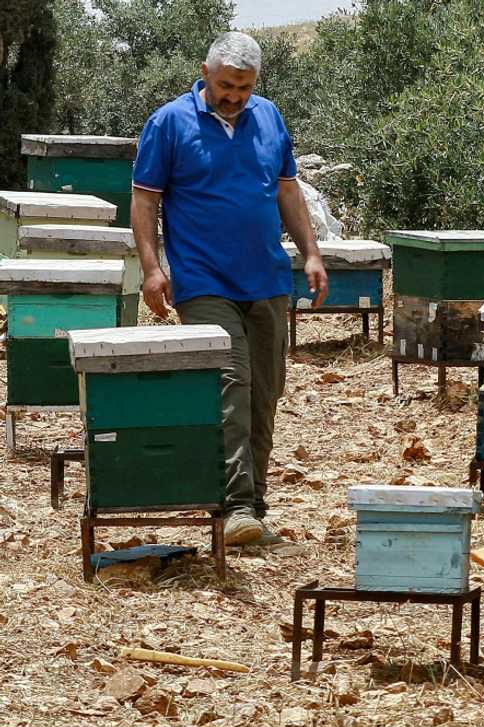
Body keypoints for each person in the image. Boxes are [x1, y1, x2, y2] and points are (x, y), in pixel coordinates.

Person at [130, 31, 328, 546]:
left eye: (244, 88)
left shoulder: (270, 117)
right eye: (225, 86)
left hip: (267, 279)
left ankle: (253, 509)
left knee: (265, 394)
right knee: (230, 386)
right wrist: (152, 268)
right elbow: (145, 200)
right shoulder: (169, 122)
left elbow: (287, 191)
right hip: (203, 280)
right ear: (205, 73)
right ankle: (234, 506)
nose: (234, 96)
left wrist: (311, 253)